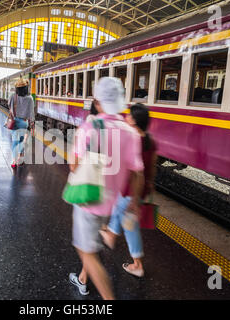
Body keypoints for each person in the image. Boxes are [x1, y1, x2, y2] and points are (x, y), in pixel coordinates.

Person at [68, 77, 144, 300]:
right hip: (111, 204)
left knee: (87, 252)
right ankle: (83, 278)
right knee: (90, 245)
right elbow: (137, 173)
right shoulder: (131, 132)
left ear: (97, 102)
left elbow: (73, 166)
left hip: (87, 200)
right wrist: (133, 202)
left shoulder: (89, 126)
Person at [99, 103, 157, 278]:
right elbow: (152, 167)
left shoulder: (133, 140)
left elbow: (133, 172)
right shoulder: (150, 140)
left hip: (130, 191)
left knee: (130, 226)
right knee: (121, 214)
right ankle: (110, 234)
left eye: (130, 115)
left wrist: (133, 198)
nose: (127, 117)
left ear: (135, 120)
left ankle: (137, 264)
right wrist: (149, 185)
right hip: (140, 190)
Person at [7, 78, 35, 169]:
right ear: (26, 87)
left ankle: (14, 161)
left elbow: (9, 105)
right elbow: (31, 113)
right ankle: (20, 159)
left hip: (15, 121)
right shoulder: (30, 98)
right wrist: (32, 125)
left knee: (15, 141)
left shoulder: (12, 96)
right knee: (22, 141)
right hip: (24, 122)